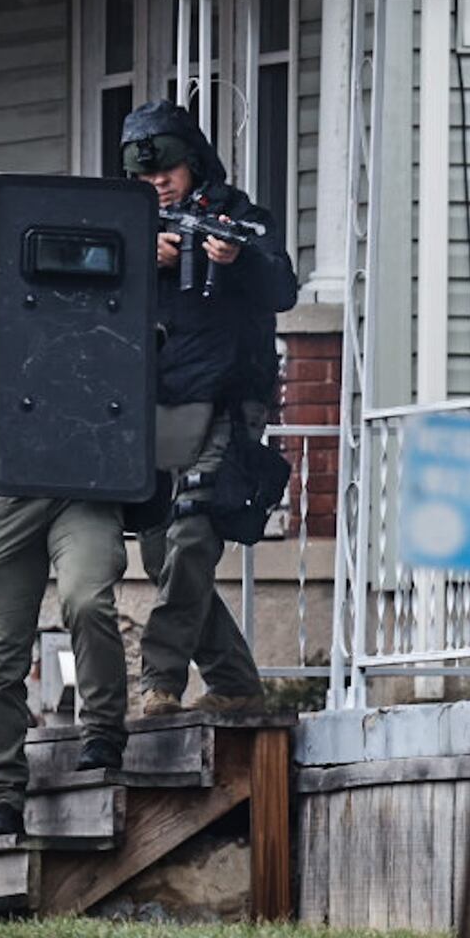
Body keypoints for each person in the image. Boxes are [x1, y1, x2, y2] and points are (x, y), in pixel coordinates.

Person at [0, 282, 131, 839]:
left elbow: (145, 349)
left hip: (86, 478)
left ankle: (104, 733)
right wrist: (37, 333)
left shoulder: (113, 269)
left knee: (86, 598)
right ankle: (2, 794)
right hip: (10, 485)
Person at [120, 100, 299, 718]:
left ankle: (160, 680)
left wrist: (236, 258)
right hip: (150, 400)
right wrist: (147, 258)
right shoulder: (127, 224)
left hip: (223, 394)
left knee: (193, 536)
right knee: (156, 549)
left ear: (192, 162)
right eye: (145, 177)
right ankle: (236, 685)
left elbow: (282, 287)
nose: (158, 183)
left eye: (167, 170)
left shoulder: (237, 214)